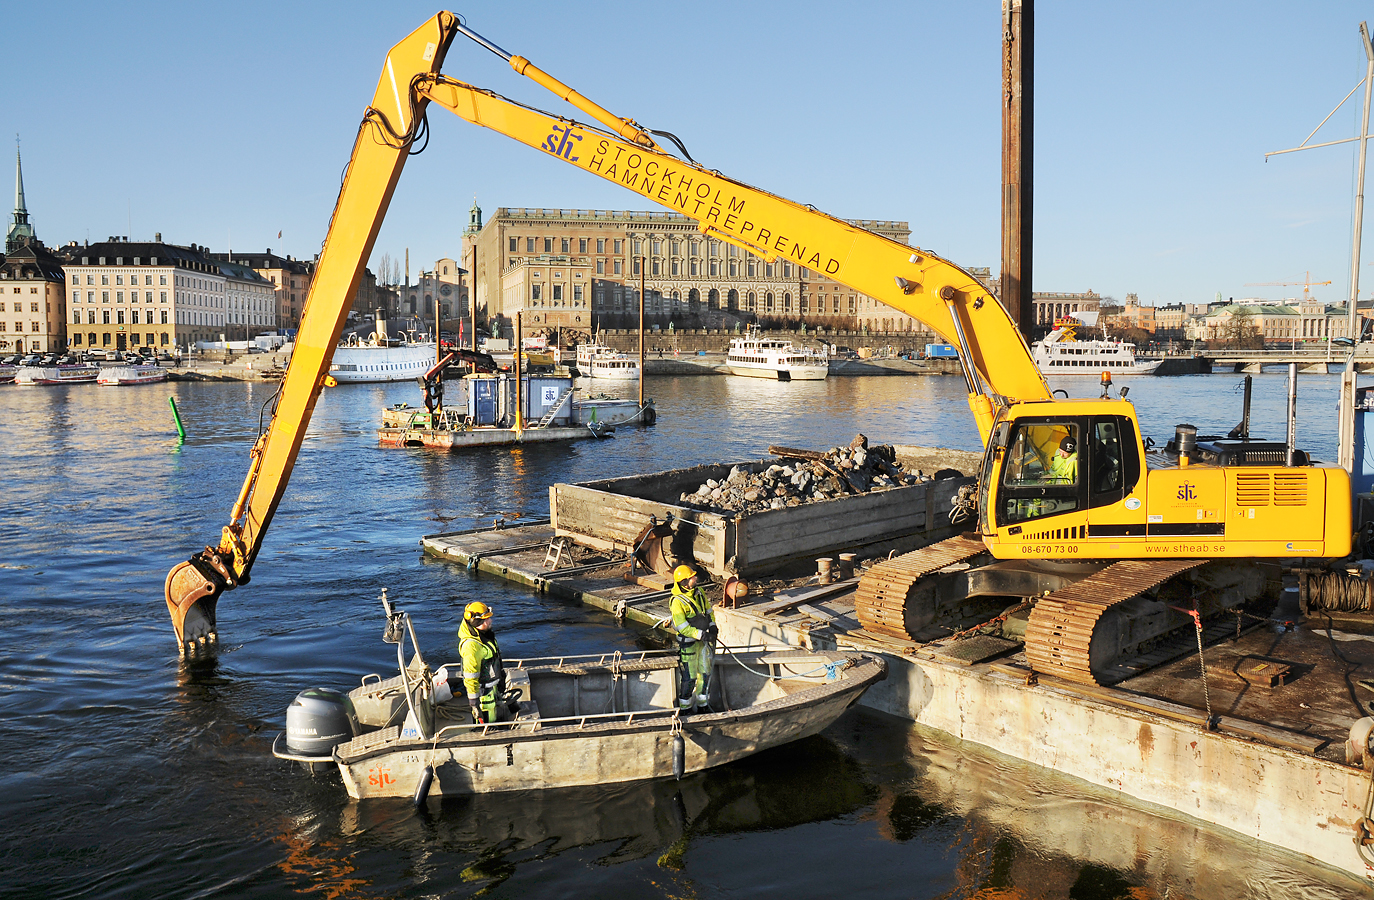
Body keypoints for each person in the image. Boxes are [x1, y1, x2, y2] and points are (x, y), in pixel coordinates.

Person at [670, 564, 717, 712]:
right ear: (684, 582)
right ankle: (686, 708)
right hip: (689, 645)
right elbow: (682, 627)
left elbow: (708, 611)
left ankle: (703, 705)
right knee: (689, 678)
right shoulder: (677, 602)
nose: (695, 578)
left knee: (705, 673)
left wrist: (713, 625)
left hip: (703, 643)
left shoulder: (699, 592)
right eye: (692, 577)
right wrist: (701, 634)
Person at [458, 601, 505, 723]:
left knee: (496, 713)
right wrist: (474, 702)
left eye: (489, 618)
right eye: (485, 620)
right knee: (488, 723)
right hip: (484, 694)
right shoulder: (471, 646)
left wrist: (501, 677)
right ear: (476, 623)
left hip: (492, 686)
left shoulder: (483, 635)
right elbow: (470, 676)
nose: (490, 621)